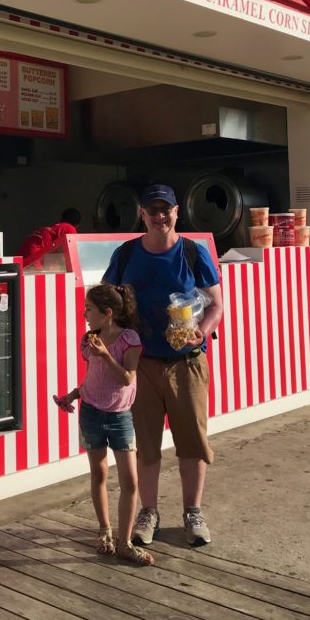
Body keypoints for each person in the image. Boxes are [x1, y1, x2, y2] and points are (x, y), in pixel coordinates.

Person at [102, 183, 223, 549]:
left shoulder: (192, 252)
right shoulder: (125, 255)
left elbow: (216, 304)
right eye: (152, 210)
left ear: (176, 212)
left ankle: (193, 512)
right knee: (146, 444)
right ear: (142, 214)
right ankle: (149, 512)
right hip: (140, 365)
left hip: (187, 362)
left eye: (166, 209)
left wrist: (200, 332)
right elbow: (106, 306)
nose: (160, 216)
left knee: (191, 441)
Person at [53, 283, 153, 565]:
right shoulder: (89, 340)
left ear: (107, 313)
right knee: (98, 474)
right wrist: (72, 394)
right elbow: (92, 377)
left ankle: (125, 541)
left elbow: (127, 378)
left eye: (89, 309)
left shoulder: (129, 339)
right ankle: (105, 532)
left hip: (120, 417)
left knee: (130, 481)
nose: (85, 314)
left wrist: (106, 355)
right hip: (91, 413)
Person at [17, 207, 81, 260]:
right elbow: (73, 254)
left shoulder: (56, 228)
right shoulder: (70, 228)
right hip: (34, 256)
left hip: (23, 255)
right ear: (77, 224)